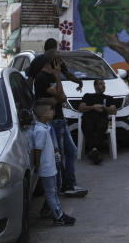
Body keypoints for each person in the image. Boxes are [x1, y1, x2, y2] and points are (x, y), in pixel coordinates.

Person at [32, 56, 87, 198]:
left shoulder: (51, 76)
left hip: (60, 119)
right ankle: (63, 186)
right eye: (58, 61)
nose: (61, 64)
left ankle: (69, 183)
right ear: (52, 61)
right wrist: (57, 76)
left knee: (71, 151)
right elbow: (62, 97)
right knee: (59, 155)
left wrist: (57, 93)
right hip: (53, 121)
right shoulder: (43, 78)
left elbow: (61, 97)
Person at [31, 101, 76, 226]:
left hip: (50, 166)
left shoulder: (45, 127)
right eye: (51, 110)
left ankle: (58, 213)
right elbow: (38, 150)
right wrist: (38, 166)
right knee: (51, 192)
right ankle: (58, 217)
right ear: (44, 114)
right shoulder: (40, 130)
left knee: (53, 191)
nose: (53, 112)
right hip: (46, 168)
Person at [78, 80, 117, 164]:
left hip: (101, 119)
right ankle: (95, 151)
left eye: (104, 84)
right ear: (95, 86)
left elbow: (113, 111)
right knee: (88, 126)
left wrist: (103, 107)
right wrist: (93, 107)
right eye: (101, 84)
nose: (103, 86)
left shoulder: (109, 98)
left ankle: (93, 150)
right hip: (88, 118)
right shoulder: (88, 96)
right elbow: (81, 108)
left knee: (101, 126)